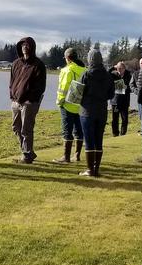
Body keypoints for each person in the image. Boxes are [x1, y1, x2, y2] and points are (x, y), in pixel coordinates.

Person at [77, 47, 115, 176]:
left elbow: (76, 95)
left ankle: (90, 170)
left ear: (90, 60)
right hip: (102, 111)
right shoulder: (108, 76)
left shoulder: (86, 74)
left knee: (89, 141)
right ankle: (96, 169)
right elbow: (111, 94)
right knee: (99, 141)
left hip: (87, 112)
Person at [9, 37, 47, 164]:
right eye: (22, 45)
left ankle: (26, 155)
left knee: (26, 129)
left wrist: (30, 99)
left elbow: (41, 86)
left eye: (27, 45)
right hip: (15, 102)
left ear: (32, 47)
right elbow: (12, 82)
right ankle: (27, 152)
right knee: (16, 128)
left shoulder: (38, 65)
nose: (24, 47)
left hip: (29, 103)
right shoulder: (15, 64)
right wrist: (12, 96)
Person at [54, 48, 86, 164]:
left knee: (67, 130)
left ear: (67, 58)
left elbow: (63, 88)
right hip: (80, 105)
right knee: (79, 130)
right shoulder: (85, 70)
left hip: (67, 105)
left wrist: (60, 101)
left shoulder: (67, 70)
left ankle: (66, 157)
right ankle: (76, 155)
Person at [110, 61, 133, 137]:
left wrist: (127, 88)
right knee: (115, 119)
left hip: (124, 101)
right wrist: (113, 67)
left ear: (124, 69)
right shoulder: (113, 75)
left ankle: (123, 134)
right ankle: (115, 133)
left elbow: (132, 86)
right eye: (118, 68)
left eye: (121, 68)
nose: (119, 70)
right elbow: (106, 73)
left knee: (125, 119)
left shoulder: (129, 75)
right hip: (115, 101)